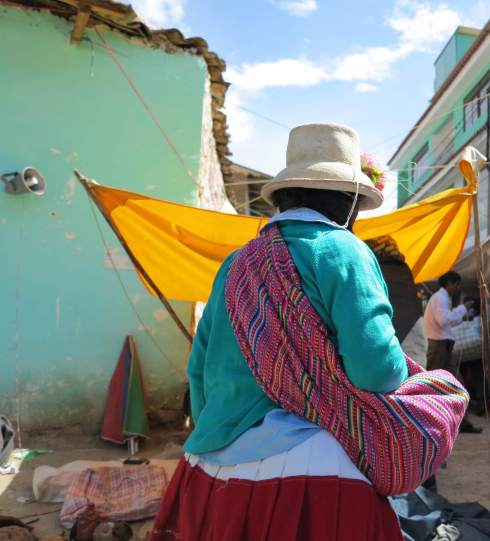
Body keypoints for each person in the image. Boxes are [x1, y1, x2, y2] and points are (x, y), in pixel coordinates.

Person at [149, 124, 426, 540]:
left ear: (283, 198)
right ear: (350, 204)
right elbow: (378, 372)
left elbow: (200, 369)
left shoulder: (235, 263)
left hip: (211, 467)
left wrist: (221, 428)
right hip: (310, 470)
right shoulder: (344, 250)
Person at [424, 271, 481, 434]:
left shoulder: (440, 298)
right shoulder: (440, 298)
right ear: (449, 283)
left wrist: (462, 314)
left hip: (442, 346)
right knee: (439, 386)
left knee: (454, 385)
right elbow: (444, 320)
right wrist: (463, 308)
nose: (457, 288)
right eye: (457, 284)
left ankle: (460, 423)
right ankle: (436, 422)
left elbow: (447, 321)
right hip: (439, 347)